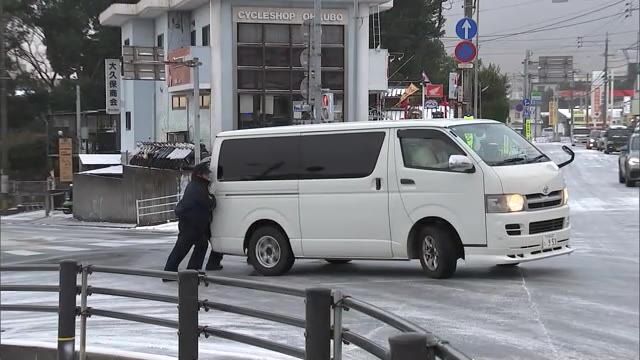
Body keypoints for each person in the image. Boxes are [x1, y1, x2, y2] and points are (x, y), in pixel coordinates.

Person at [163, 162, 222, 281]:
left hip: (194, 224)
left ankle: (192, 272)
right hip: (190, 224)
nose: (208, 176)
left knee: (201, 245)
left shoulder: (197, 185)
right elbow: (208, 203)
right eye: (206, 174)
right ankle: (169, 274)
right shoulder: (197, 187)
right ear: (200, 175)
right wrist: (213, 199)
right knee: (181, 249)